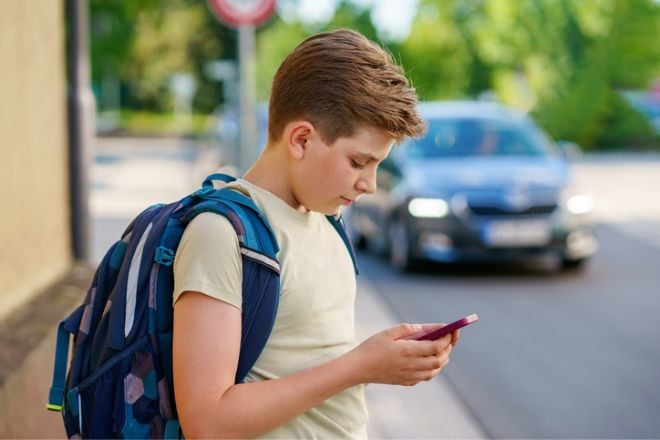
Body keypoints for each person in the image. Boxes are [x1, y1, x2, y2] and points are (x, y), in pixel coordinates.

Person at [172, 29, 460, 439]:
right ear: (302, 139)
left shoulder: (327, 218)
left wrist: (388, 357)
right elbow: (208, 422)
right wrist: (363, 365)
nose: (370, 185)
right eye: (359, 162)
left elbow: (309, 358)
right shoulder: (221, 235)